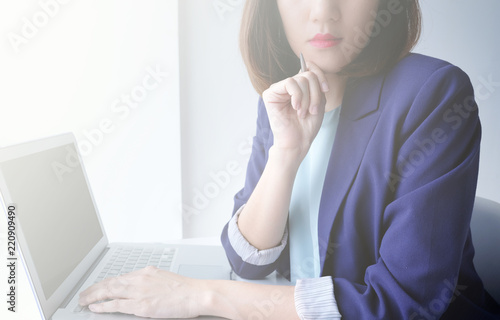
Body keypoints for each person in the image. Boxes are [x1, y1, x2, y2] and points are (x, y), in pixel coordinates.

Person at [79, 0, 500, 318]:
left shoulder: (432, 93)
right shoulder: (283, 99)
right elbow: (247, 261)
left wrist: (201, 294)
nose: (323, 12)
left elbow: (402, 303)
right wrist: (286, 154)